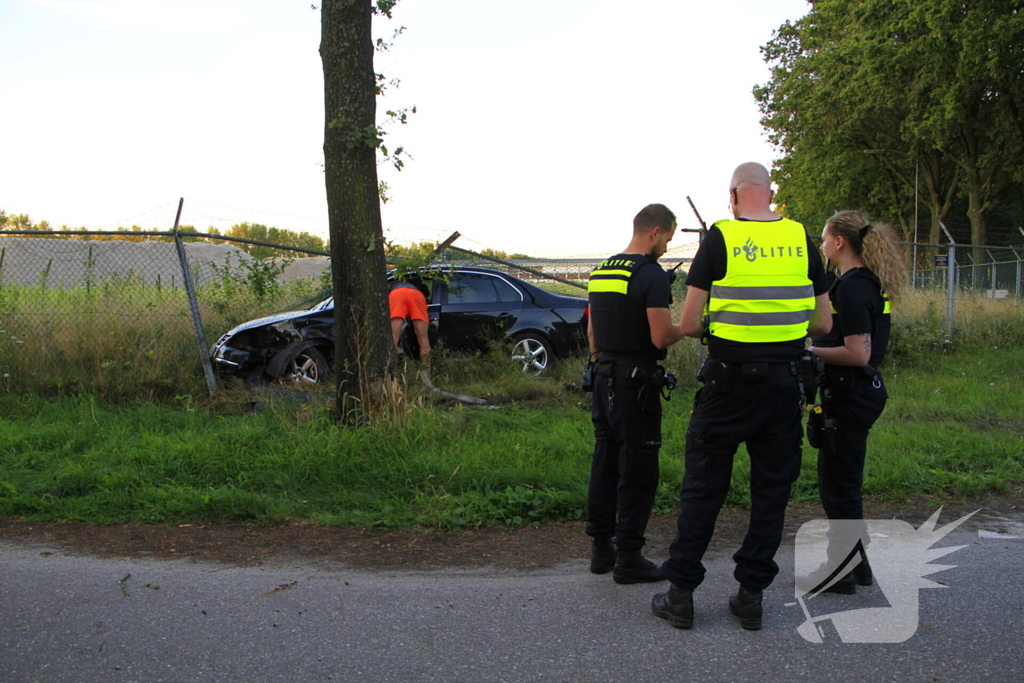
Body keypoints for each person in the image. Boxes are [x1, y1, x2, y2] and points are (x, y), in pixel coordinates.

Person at [651, 162, 832, 630]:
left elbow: (689, 325)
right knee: (771, 493)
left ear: (733, 196)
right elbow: (824, 324)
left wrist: (727, 323)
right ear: (769, 193)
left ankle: (681, 595)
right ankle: (751, 596)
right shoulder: (801, 237)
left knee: (703, 489)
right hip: (784, 386)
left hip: (728, 386)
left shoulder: (722, 237)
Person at [798, 210, 903, 594]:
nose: (823, 246)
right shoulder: (864, 283)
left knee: (838, 488)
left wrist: (812, 351)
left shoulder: (854, 288)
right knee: (843, 483)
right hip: (858, 394)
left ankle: (838, 572)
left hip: (851, 394)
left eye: (825, 239)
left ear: (840, 242)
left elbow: (860, 353)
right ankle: (857, 567)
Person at [585, 203, 686, 585]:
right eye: (669, 239)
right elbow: (661, 336)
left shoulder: (602, 271)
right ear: (656, 232)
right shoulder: (651, 275)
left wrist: (600, 366)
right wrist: (689, 327)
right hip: (636, 385)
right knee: (638, 468)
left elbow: (593, 333)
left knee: (605, 462)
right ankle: (629, 557)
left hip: (603, 379)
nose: (667, 248)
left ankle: (601, 550)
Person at [389, 280, 431, 365]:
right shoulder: (417, 289)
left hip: (396, 294)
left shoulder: (388, 285)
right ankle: (426, 376)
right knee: (424, 341)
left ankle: (389, 374)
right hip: (416, 295)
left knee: (393, 339)